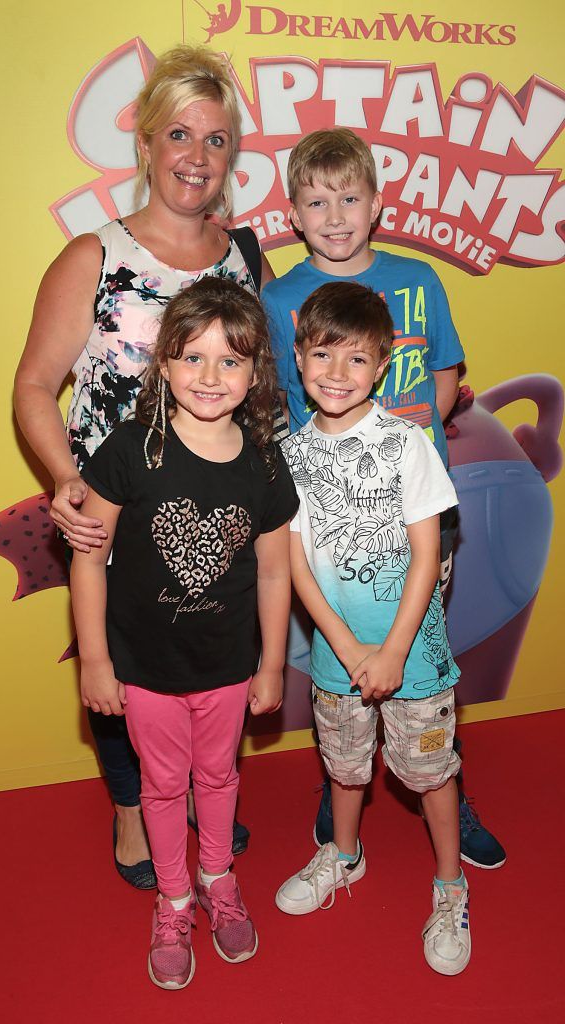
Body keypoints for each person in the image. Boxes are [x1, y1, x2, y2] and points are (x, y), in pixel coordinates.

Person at [14, 45, 286, 887]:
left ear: (231, 154)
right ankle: (132, 809)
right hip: (116, 511)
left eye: (214, 139)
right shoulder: (94, 256)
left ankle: (205, 791)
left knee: (205, 645)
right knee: (122, 655)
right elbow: (32, 386)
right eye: (179, 134)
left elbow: (271, 380)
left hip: (220, 505)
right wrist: (70, 483)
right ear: (146, 145)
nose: (196, 158)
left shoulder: (246, 256)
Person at [262, 127, 505, 870]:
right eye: (315, 201)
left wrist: (407, 444)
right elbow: (281, 395)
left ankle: (443, 783)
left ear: (376, 206)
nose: (334, 215)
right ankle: (344, 782)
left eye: (349, 198)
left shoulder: (420, 280)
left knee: (421, 662)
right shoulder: (280, 297)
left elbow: (444, 376)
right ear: (295, 215)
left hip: (416, 513)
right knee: (342, 665)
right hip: (331, 522)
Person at [70, 277, 298, 989]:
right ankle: (174, 901)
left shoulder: (264, 461)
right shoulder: (132, 449)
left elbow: (271, 572)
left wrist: (270, 667)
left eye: (230, 361)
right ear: (163, 364)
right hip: (144, 666)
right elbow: (88, 558)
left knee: (221, 775)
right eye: (192, 358)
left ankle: (217, 879)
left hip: (227, 664)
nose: (209, 376)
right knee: (164, 786)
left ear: (254, 373)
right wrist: (97, 661)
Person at [276, 281, 471, 976]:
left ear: (383, 366)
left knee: (430, 773)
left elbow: (427, 552)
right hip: (337, 657)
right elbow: (296, 566)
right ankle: (344, 856)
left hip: (411, 657)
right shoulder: (291, 456)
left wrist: (391, 650)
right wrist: (348, 645)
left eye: (356, 360)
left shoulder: (406, 443)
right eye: (322, 354)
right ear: (298, 358)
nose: (336, 373)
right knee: (345, 765)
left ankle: (450, 884)